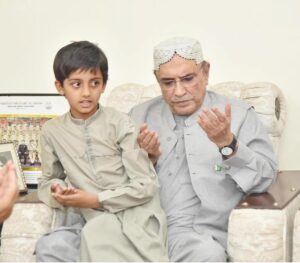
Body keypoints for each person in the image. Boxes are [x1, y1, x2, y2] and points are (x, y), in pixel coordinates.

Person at [130, 36, 278, 262]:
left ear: (206, 72)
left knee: (206, 255)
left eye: (188, 79)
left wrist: (228, 144)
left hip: (201, 236)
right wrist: (145, 161)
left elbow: (265, 178)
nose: (178, 92)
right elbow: (114, 184)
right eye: (168, 83)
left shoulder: (238, 115)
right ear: (157, 80)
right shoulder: (138, 116)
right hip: (140, 231)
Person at [36, 41, 168, 262]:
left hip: (134, 214)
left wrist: (96, 199)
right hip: (88, 215)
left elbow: (146, 185)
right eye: (76, 84)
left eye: (94, 83)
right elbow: (48, 180)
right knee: (51, 246)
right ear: (60, 87)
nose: (86, 93)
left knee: (97, 232)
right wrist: (58, 192)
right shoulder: (52, 131)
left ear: (104, 85)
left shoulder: (121, 123)